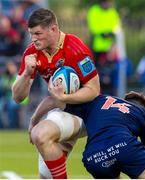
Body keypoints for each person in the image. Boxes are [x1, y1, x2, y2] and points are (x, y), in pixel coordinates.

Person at [12, 8, 100, 179]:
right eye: (31, 34)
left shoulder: (76, 49)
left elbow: (94, 90)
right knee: (46, 176)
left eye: (38, 33)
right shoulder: (32, 53)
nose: (33, 39)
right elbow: (18, 97)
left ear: (53, 29)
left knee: (40, 135)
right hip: (61, 110)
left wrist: (64, 98)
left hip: (86, 113)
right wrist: (26, 74)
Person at [44, 82, 145, 178]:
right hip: (124, 147)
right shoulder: (143, 114)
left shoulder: (100, 100)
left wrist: (35, 119)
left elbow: (57, 103)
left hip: (93, 157)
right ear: (144, 108)